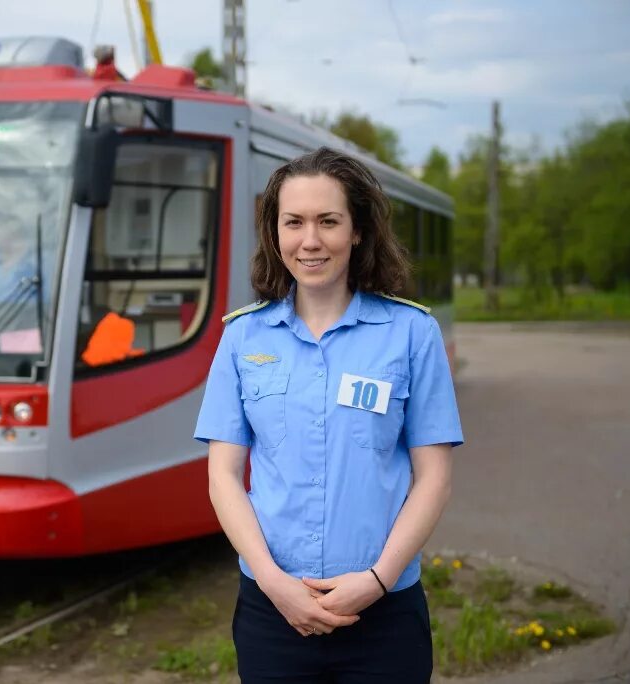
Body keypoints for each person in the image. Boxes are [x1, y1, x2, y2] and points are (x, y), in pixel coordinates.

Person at [194, 147, 463, 683]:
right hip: (274, 611)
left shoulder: (412, 335)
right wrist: (274, 583)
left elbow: (434, 479)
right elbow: (223, 475)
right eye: (293, 222)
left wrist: (378, 580)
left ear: (357, 230)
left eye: (328, 221)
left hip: (384, 614)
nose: (310, 240)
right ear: (275, 233)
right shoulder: (242, 337)